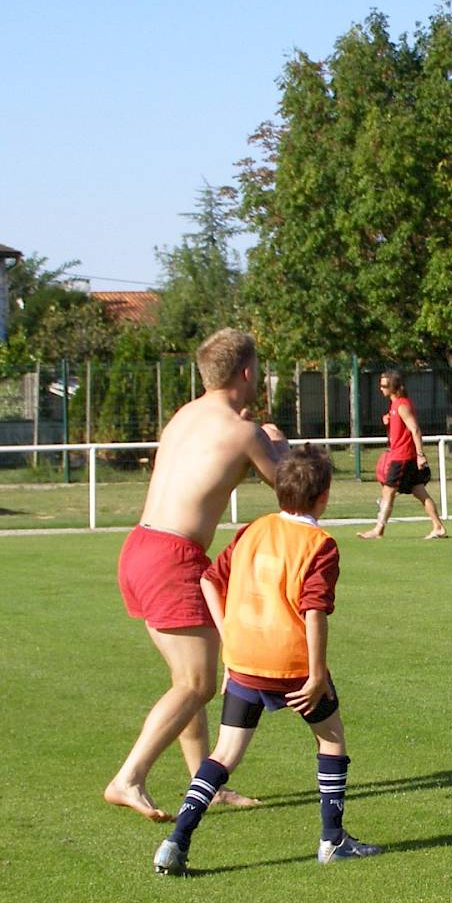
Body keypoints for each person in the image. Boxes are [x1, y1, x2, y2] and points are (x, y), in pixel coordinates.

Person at [153, 446, 381, 874]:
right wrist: (316, 676)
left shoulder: (252, 530)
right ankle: (332, 840)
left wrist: (230, 640)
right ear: (324, 496)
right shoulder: (319, 545)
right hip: (291, 663)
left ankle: (175, 840)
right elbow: (314, 611)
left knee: (224, 754)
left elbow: (209, 580)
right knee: (331, 738)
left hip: (245, 660)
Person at [106, 327, 288, 822]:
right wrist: (279, 442)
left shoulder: (184, 415)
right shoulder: (244, 432)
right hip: (173, 557)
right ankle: (129, 778)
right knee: (197, 683)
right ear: (247, 372)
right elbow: (291, 489)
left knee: (187, 678)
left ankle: (204, 784)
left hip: (139, 547)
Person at [358, 369, 447, 540]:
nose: (381, 388)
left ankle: (378, 530)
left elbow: (415, 430)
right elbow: (401, 430)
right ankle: (438, 527)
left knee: (388, 492)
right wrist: (389, 422)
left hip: (402, 458)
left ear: (393, 387)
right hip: (403, 456)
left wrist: (420, 455)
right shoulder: (395, 405)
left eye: (384, 386)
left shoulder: (401, 405)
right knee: (419, 491)